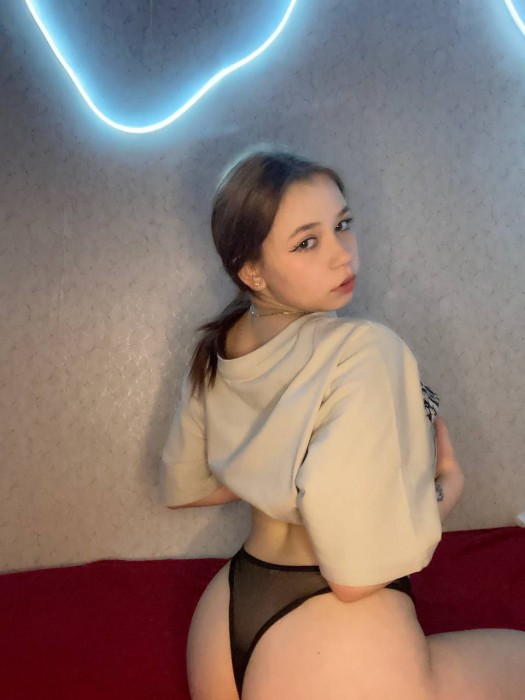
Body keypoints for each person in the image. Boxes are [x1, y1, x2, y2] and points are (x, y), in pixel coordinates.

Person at [160, 150, 525, 699]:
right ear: (250, 270)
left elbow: (186, 487)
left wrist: (274, 466)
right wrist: (446, 491)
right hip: (331, 627)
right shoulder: (364, 349)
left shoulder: (218, 350)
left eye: (343, 224)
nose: (342, 254)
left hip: (223, 620)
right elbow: (356, 578)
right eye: (307, 242)